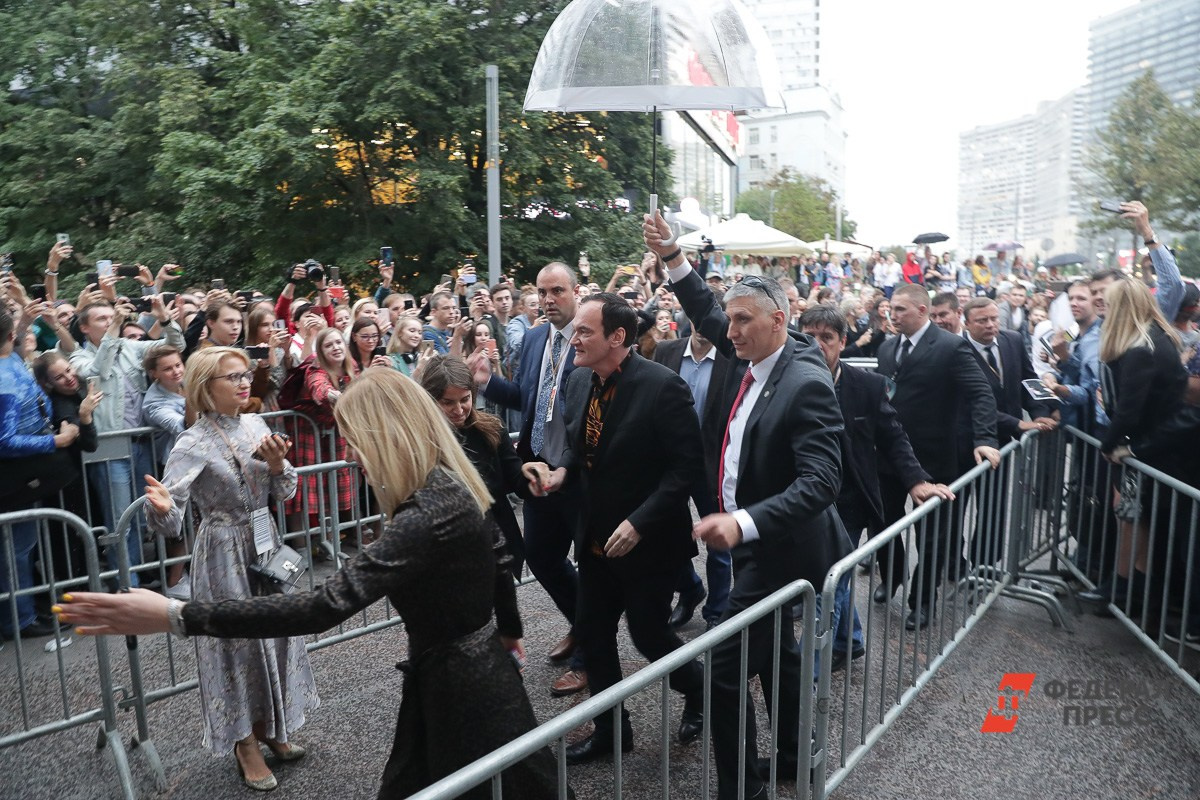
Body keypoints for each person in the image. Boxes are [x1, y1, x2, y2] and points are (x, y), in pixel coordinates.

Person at [55, 368, 568, 800]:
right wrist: (508, 629)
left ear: (389, 434)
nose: (351, 456)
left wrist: (175, 615)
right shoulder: (448, 484)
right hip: (463, 675)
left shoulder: (425, 513)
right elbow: (499, 554)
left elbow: (324, 605)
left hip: (464, 692)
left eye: (355, 440)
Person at [644, 213, 852, 800]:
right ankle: (791, 758)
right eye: (730, 321)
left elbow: (821, 483)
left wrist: (742, 521)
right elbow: (709, 313)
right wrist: (674, 257)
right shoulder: (750, 350)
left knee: (726, 676)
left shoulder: (804, 380)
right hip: (758, 545)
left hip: (780, 551)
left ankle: (742, 789)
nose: (728, 332)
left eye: (743, 321)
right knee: (779, 657)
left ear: (779, 322)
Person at [119, 347, 321, 788]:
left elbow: (285, 490)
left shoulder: (254, 423)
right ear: (205, 387)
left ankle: (273, 727)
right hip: (222, 552)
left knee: (277, 633)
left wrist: (276, 463)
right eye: (231, 377)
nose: (244, 382)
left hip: (264, 542)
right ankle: (243, 742)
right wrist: (163, 505)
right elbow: (171, 521)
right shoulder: (191, 441)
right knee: (235, 646)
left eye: (244, 373)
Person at [523, 293, 706, 763]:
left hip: (650, 544)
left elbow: (684, 470)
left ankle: (702, 693)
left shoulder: (663, 387)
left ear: (618, 338)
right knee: (594, 633)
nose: (574, 339)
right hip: (595, 538)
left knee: (648, 635)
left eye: (584, 331)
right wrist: (562, 471)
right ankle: (612, 733)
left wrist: (640, 523)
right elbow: (580, 447)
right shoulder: (581, 379)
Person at [797, 305, 950, 670]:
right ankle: (850, 640)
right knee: (834, 580)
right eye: (809, 337)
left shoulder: (867, 386)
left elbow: (894, 436)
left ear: (842, 342)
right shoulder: (786, 380)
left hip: (849, 503)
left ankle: (805, 676)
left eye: (827, 338)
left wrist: (916, 481)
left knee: (827, 584)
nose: (817, 345)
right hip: (802, 500)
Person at [473, 262, 588, 695]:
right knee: (541, 557)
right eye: (542, 292)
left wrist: (570, 468)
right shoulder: (538, 336)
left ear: (576, 292)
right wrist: (487, 382)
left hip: (579, 475)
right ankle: (582, 626)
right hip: (539, 468)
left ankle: (589, 658)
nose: (548, 299)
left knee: (593, 568)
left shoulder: (588, 336)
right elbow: (525, 396)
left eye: (557, 290)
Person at [873, 284, 1000, 631]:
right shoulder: (886, 348)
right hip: (889, 457)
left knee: (933, 534)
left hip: (934, 460)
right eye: (891, 309)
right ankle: (893, 575)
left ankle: (923, 601)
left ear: (922, 311)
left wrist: (985, 438)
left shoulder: (951, 346)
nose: (893, 315)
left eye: (900, 310)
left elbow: (981, 394)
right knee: (883, 523)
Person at [1078, 280, 1186, 610]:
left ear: (1122, 307)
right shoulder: (1156, 338)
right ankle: (1124, 587)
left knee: (1138, 520)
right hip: (1153, 449)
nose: (1103, 310)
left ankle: (1129, 591)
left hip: (1153, 451)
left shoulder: (1142, 348)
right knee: (1134, 519)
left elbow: (1128, 412)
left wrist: (1108, 446)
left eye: (1108, 304)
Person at [69, 297, 184, 581]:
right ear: (84, 327)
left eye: (112, 317)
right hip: (110, 450)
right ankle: (127, 584)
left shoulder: (134, 347)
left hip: (142, 444)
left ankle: (140, 577)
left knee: (144, 515)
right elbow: (99, 370)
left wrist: (165, 318)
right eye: (102, 319)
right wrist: (116, 327)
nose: (110, 322)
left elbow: (176, 346)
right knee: (121, 521)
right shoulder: (78, 357)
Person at [653, 327, 733, 631]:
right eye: (696, 317)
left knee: (718, 541)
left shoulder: (731, 357)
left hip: (711, 466)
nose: (702, 325)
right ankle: (690, 589)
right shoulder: (666, 351)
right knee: (667, 534)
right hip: (669, 462)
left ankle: (717, 612)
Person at [418, 354, 527, 575]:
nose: (458, 410)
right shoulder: (421, 440)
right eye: (448, 402)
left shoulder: (491, 428)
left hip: (499, 545)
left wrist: (535, 475)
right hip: (449, 552)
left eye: (465, 399)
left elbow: (516, 479)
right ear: (430, 399)